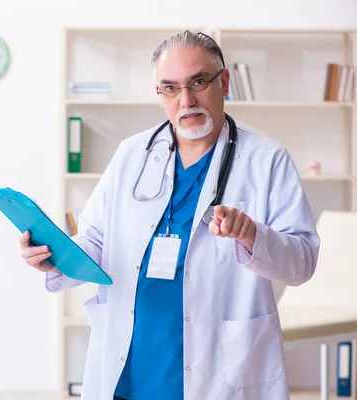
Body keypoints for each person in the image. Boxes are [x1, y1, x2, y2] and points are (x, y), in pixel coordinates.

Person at [20, 31, 320, 400]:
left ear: (223, 82)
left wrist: (253, 235)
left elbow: (302, 263)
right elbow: (95, 240)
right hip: (133, 353)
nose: (186, 100)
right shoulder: (131, 154)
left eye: (198, 82)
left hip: (216, 362)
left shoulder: (267, 161)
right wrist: (55, 257)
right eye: (170, 88)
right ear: (159, 94)